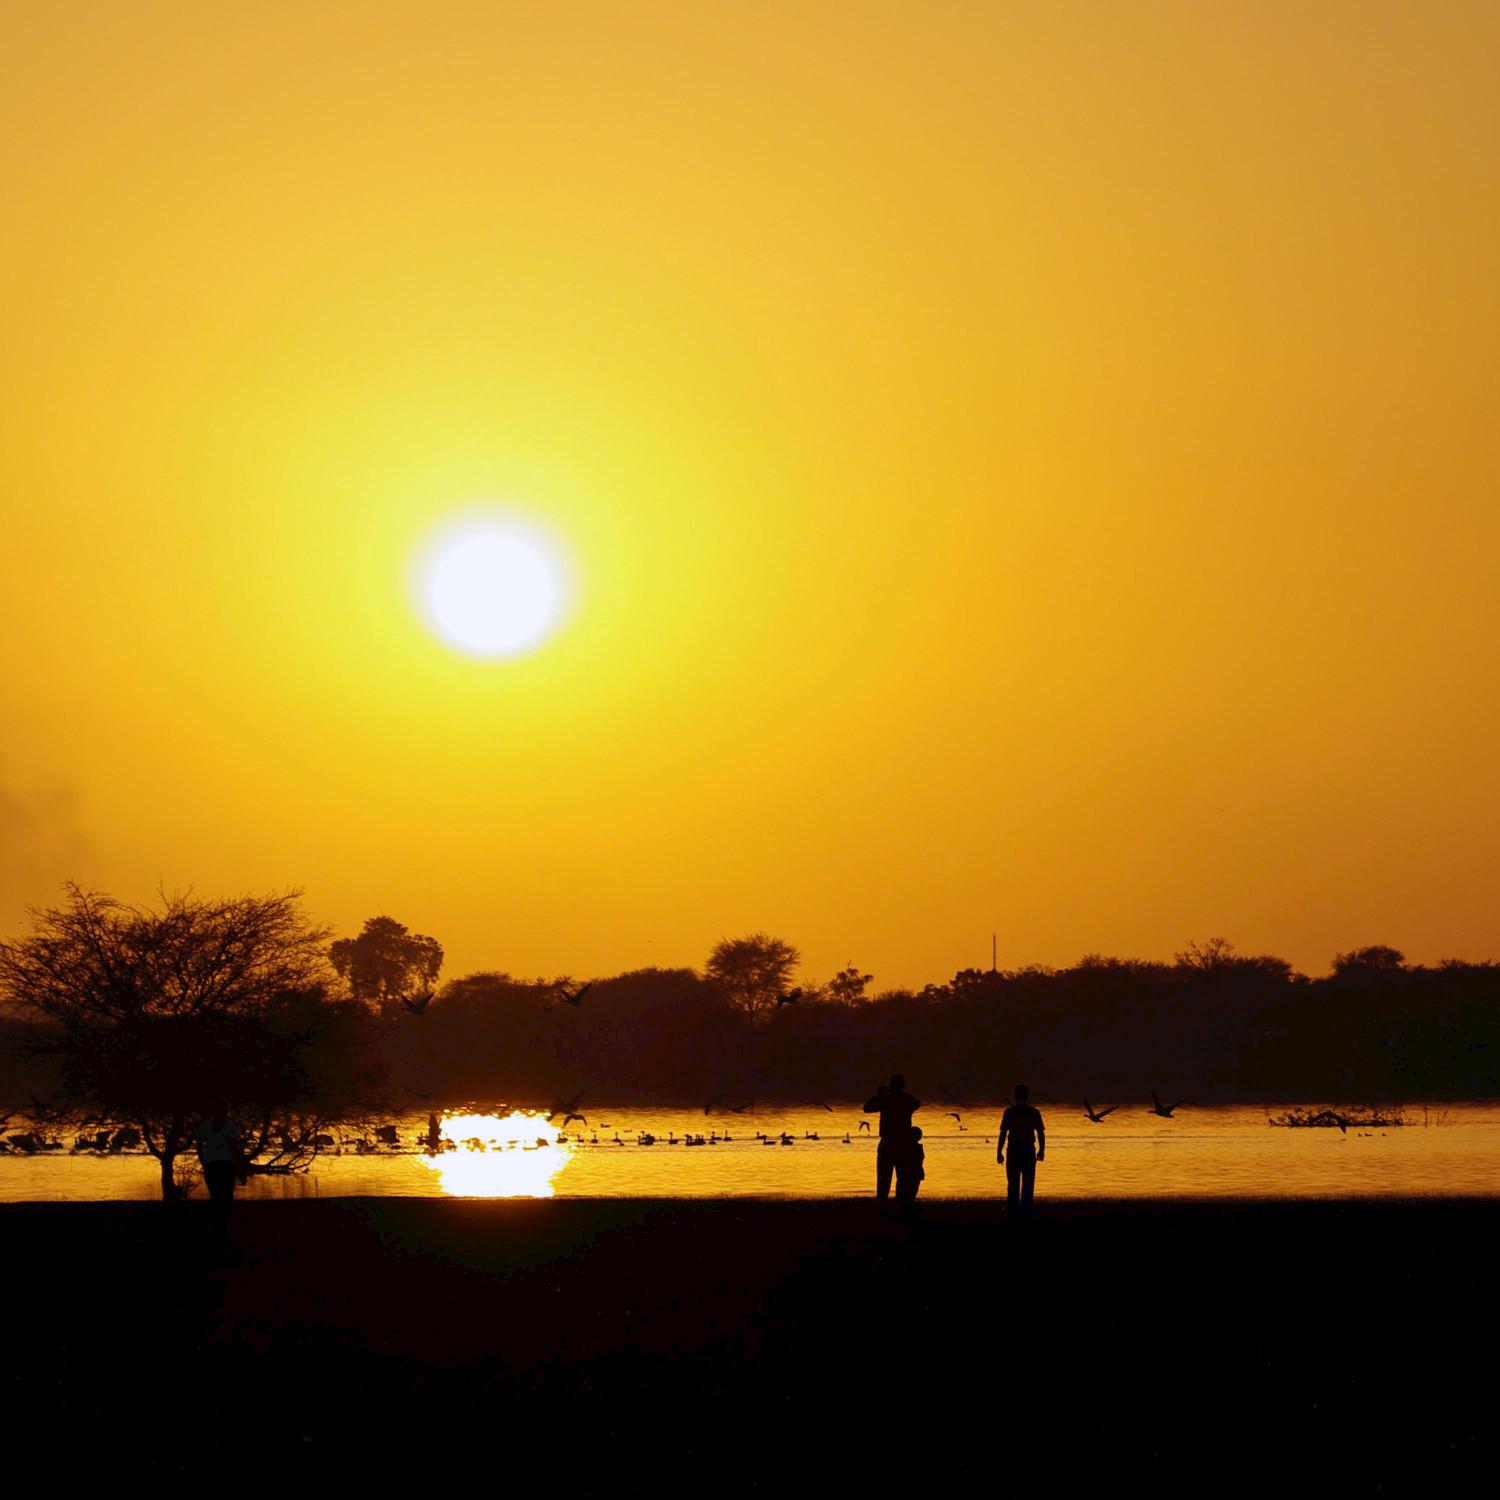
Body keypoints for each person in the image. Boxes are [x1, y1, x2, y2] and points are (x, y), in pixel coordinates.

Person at [194, 1101, 247, 1254]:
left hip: (215, 1164)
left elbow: (199, 1145)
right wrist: (241, 1170)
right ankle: (221, 1228)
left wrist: (203, 1160)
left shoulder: (207, 1125)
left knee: (218, 1196)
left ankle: (218, 1228)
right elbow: (235, 1149)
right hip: (223, 1165)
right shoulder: (229, 1127)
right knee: (224, 1197)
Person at [863, 1073, 921, 1207]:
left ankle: (883, 1202)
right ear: (903, 1085)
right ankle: (901, 1202)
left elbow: (867, 1108)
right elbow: (917, 1103)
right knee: (902, 1175)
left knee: (884, 1176)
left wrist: (880, 1095)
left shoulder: (886, 1100)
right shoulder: (906, 1100)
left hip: (888, 1142)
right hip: (902, 1143)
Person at [997, 1083, 1045, 1217]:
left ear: (1015, 1096)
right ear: (1027, 1096)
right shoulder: (1034, 1112)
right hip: (1028, 1150)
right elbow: (1040, 1132)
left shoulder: (1009, 1112)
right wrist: (1042, 1150)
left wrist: (998, 1152)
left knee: (1013, 1183)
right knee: (1028, 1184)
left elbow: (1003, 1133)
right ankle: (1026, 1212)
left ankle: (1013, 1213)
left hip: (1013, 1150)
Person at [895, 1124, 926, 1217]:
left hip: (909, 1174)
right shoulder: (917, 1148)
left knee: (905, 1193)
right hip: (914, 1174)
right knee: (910, 1193)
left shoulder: (905, 1148)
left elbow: (900, 1161)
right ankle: (906, 1211)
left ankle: (905, 1211)